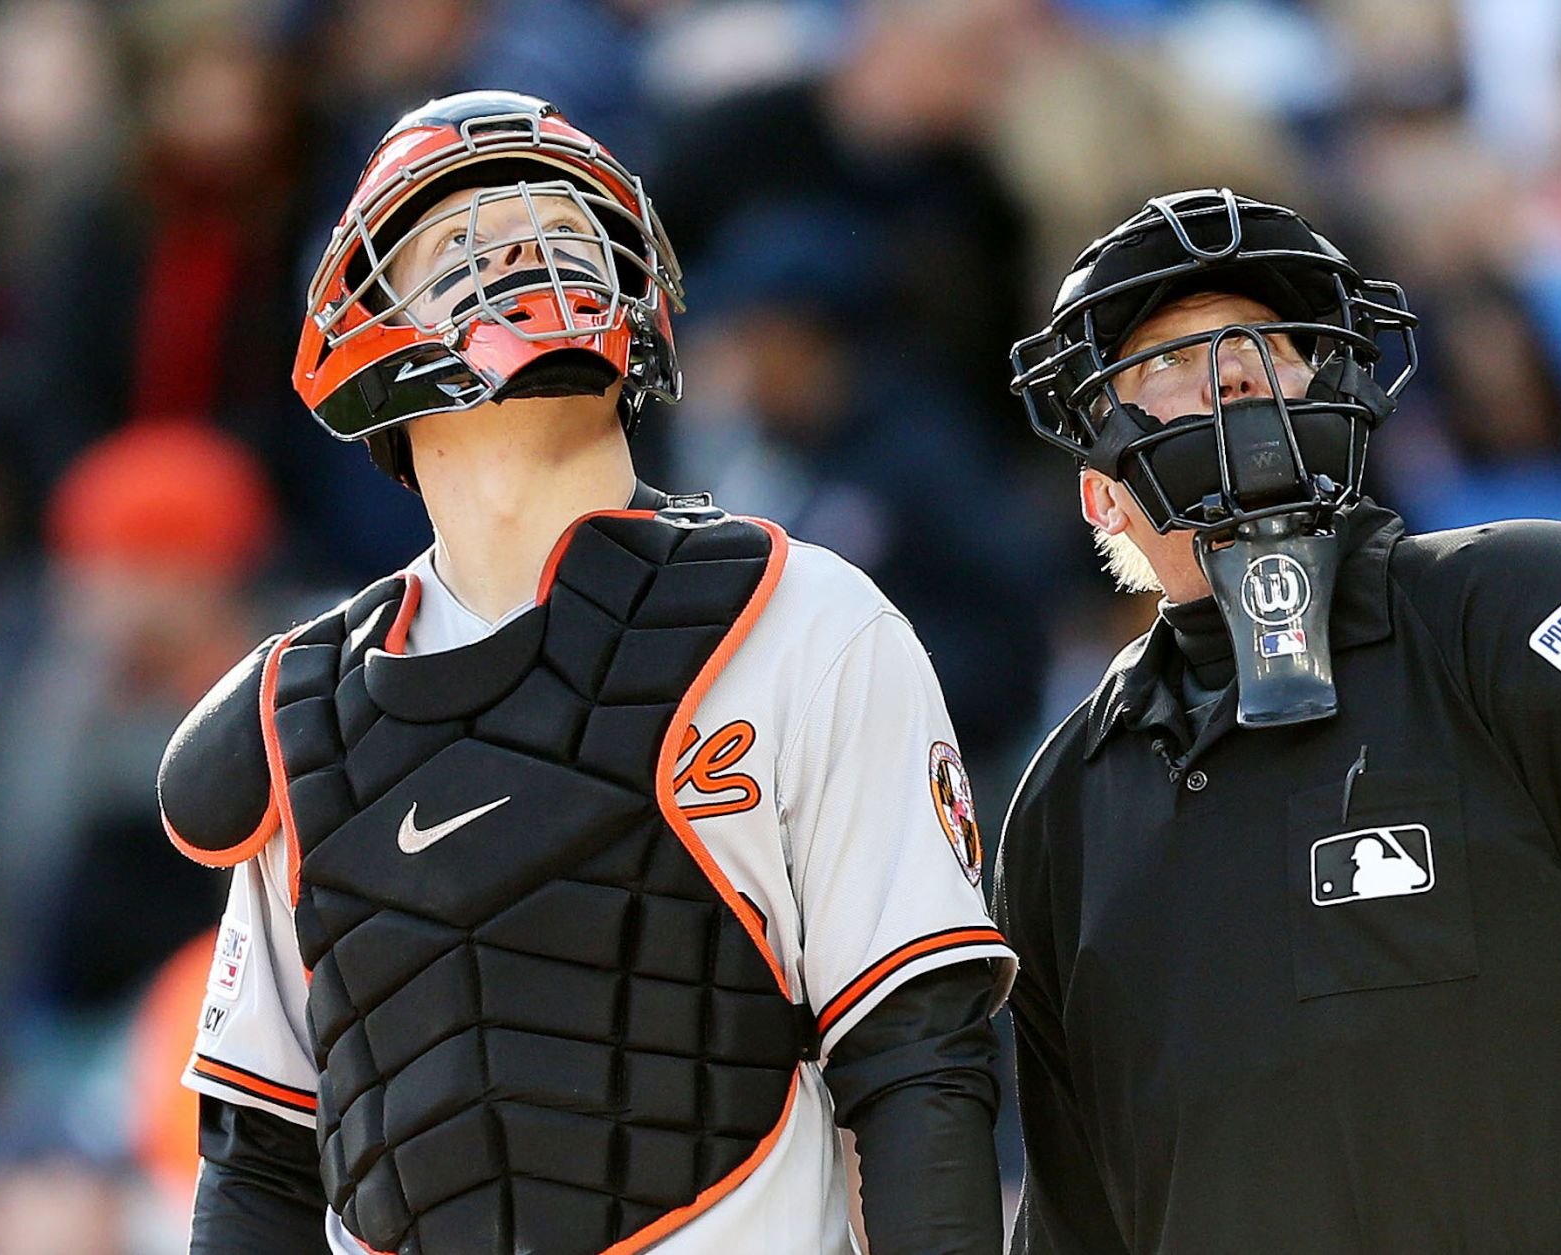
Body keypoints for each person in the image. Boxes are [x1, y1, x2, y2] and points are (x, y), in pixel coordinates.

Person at [157, 91, 1015, 1255]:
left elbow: (921, 1061)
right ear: (367, 334)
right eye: (462, 238)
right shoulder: (299, 716)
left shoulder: (805, 617)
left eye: (564, 230)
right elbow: (258, 1162)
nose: (524, 253)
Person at [997, 188, 1561, 1253]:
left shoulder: (1550, 620)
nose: (1237, 370)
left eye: (1269, 342)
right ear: (1097, 494)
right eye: (1167, 359)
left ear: (1336, 381)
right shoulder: (1065, 805)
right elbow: (1077, 1220)